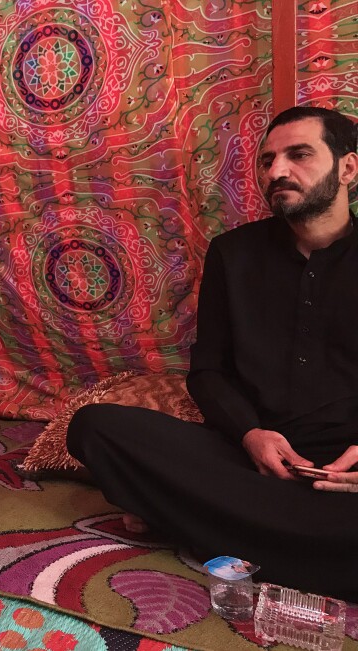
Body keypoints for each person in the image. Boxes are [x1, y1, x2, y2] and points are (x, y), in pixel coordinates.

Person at [67, 106, 358, 601]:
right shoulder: (234, 254)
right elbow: (208, 372)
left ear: (348, 168)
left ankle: (197, 522)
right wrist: (251, 436)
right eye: (267, 161)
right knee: (94, 426)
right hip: (247, 457)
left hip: (345, 473)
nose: (278, 172)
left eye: (299, 155)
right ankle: (306, 551)